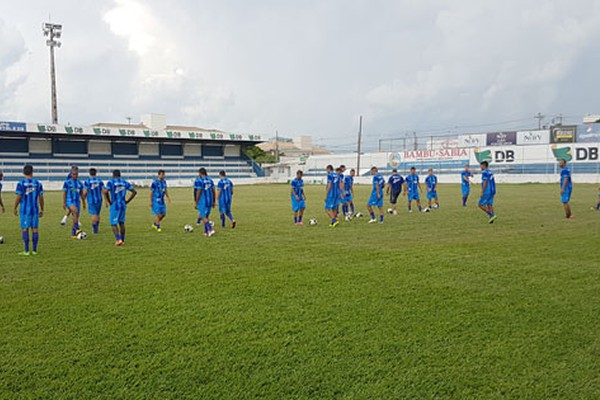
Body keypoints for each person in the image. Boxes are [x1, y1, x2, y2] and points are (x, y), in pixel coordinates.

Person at [14, 165, 44, 255]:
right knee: (35, 229)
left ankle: (26, 251)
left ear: (23, 172)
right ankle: (34, 250)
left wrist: (15, 207)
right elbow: (41, 197)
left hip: (24, 210)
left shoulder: (21, 183)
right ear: (32, 172)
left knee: (25, 229)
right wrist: (42, 209)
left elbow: (19, 196)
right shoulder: (38, 183)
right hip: (35, 209)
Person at [104, 169, 137, 246]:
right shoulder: (124, 182)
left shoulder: (111, 182)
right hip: (122, 204)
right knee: (121, 223)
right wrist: (127, 201)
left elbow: (105, 192)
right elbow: (134, 192)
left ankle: (118, 240)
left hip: (115, 205)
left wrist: (109, 201)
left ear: (113, 175)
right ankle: (122, 240)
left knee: (113, 223)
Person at [62, 166, 86, 238]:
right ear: (71, 174)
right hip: (69, 201)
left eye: (76, 174)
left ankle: (73, 234)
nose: (75, 175)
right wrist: (64, 202)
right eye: (73, 174)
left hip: (77, 201)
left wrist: (84, 202)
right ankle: (77, 229)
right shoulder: (67, 183)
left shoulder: (80, 183)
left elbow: (81, 193)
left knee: (76, 216)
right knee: (75, 211)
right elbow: (64, 193)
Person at [194, 168, 216, 237]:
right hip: (210, 200)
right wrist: (214, 201)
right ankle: (206, 232)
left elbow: (198, 191)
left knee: (203, 216)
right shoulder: (210, 180)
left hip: (203, 201)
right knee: (206, 216)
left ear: (200, 173)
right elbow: (213, 191)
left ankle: (210, 229)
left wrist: (196, 202)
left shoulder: (199, 180)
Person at [82, 168, 104, 234]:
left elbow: (85, 192)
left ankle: (95, 229)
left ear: (89, 173)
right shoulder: (99, 181)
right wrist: (106, 200)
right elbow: (104, 190)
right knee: (97, 213)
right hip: (99, 199)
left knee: (94, 214)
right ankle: (96, 227)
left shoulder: (87, 181)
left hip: (91, 200)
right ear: (95, 173)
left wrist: (83, 199)